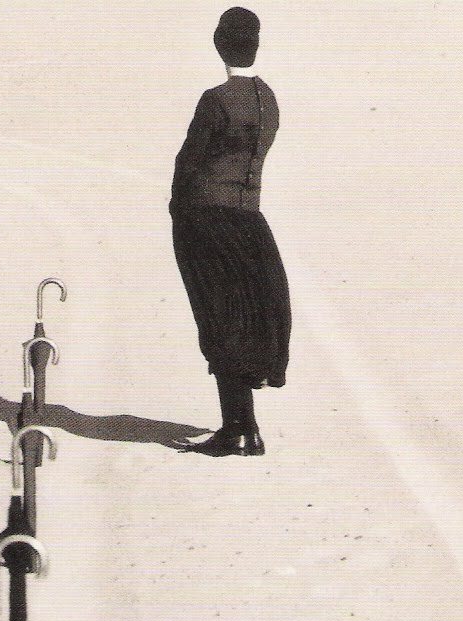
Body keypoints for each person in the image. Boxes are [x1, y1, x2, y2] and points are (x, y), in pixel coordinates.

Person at [170, 7, 291, 457]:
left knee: (220, 318)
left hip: (207, 220)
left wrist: (178, 211)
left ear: (219, 45)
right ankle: (245, 427)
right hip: (249, 223)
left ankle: (238, 428)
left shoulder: (215, 99)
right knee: (248, 319)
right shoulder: (268, 98)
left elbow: (190, 162)